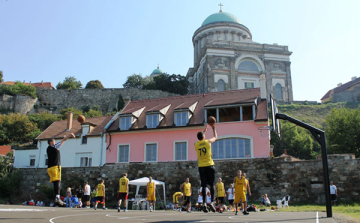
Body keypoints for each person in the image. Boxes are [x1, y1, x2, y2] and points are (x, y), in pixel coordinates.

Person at [194, 123, 217, 213]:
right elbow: (215, 137)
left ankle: (204, 203)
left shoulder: (196, 144)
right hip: (209, 165)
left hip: (201, 167)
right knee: (212, 185)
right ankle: (211, 202)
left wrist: (204, 131)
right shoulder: (207, 142)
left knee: (203, 185)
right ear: (204, 137)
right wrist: (213, 128)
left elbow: (200, 138)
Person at [47, 133, 75, 206]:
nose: (55, 142)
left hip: (50, 168)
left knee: (55, 183)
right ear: (51, 142)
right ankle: (57, 197)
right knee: (58, 182)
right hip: (55, 167)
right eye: (54, 141)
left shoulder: (48, 149)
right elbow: (62, 142)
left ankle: (56, 197)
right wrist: (69, 136)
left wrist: (64, 138)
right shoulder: (54, 147)